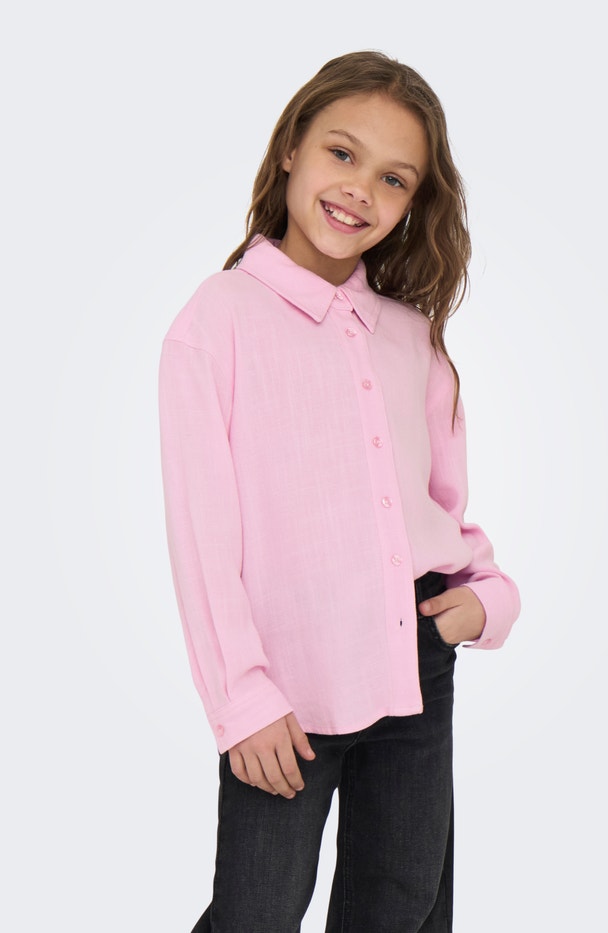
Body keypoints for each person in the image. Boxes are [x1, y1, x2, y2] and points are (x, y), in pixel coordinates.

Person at [158, 50, 520, 933]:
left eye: (394, 178)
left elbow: (439, 509)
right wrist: (242, 698)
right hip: (284, 682)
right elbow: (202, 533)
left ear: (413, 203)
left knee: (403, 906)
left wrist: (487, 599)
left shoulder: (409, 337)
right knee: (256, 912)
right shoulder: (218, 319)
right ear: (292, 147)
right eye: (342, 152)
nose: (360, 189)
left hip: (416, 658)